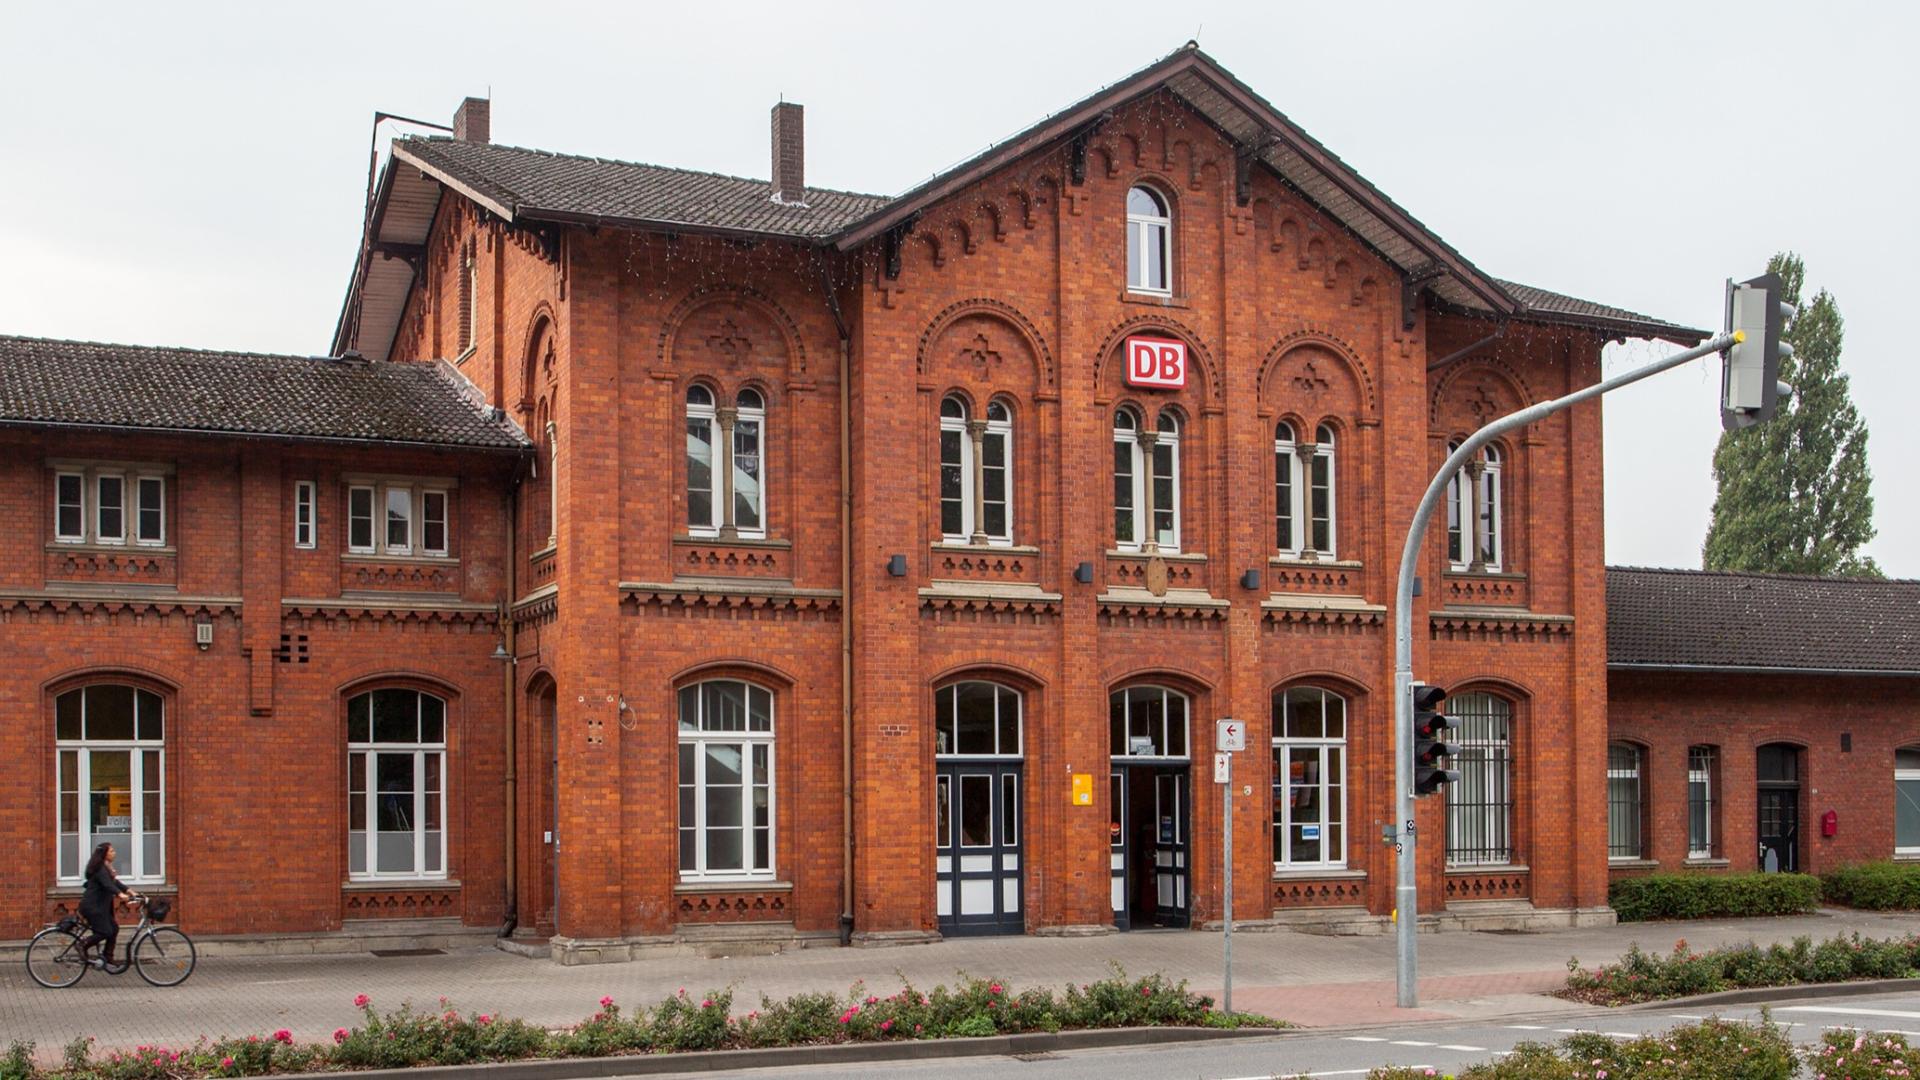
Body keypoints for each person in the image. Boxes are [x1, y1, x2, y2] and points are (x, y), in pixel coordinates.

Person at [78, 842, 141, 969]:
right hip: (93, 907)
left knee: (114, 929)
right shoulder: (100, 869)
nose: (114, 853)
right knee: (105, 931)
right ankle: (82, 944)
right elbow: (107, 884)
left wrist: (130, 891)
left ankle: (108, 957)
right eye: (111, 851)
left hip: (101, 907)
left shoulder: (106, 868)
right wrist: (120, 894)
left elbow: (115, 883)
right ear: (104, 854)